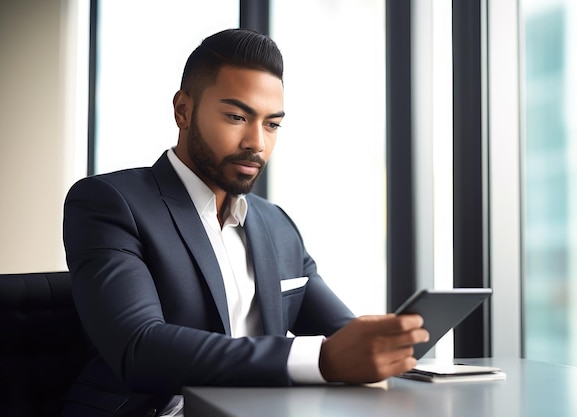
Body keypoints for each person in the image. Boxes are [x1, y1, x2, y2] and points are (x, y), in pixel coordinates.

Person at [62, 28, 429, 417]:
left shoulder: (277, 225)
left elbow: (344, 337)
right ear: (183, 110)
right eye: (237, 116)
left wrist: (388, 346)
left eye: (272, 124)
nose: (256, 142)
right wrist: (318, 359)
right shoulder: (110, 203)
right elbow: (138, 347)